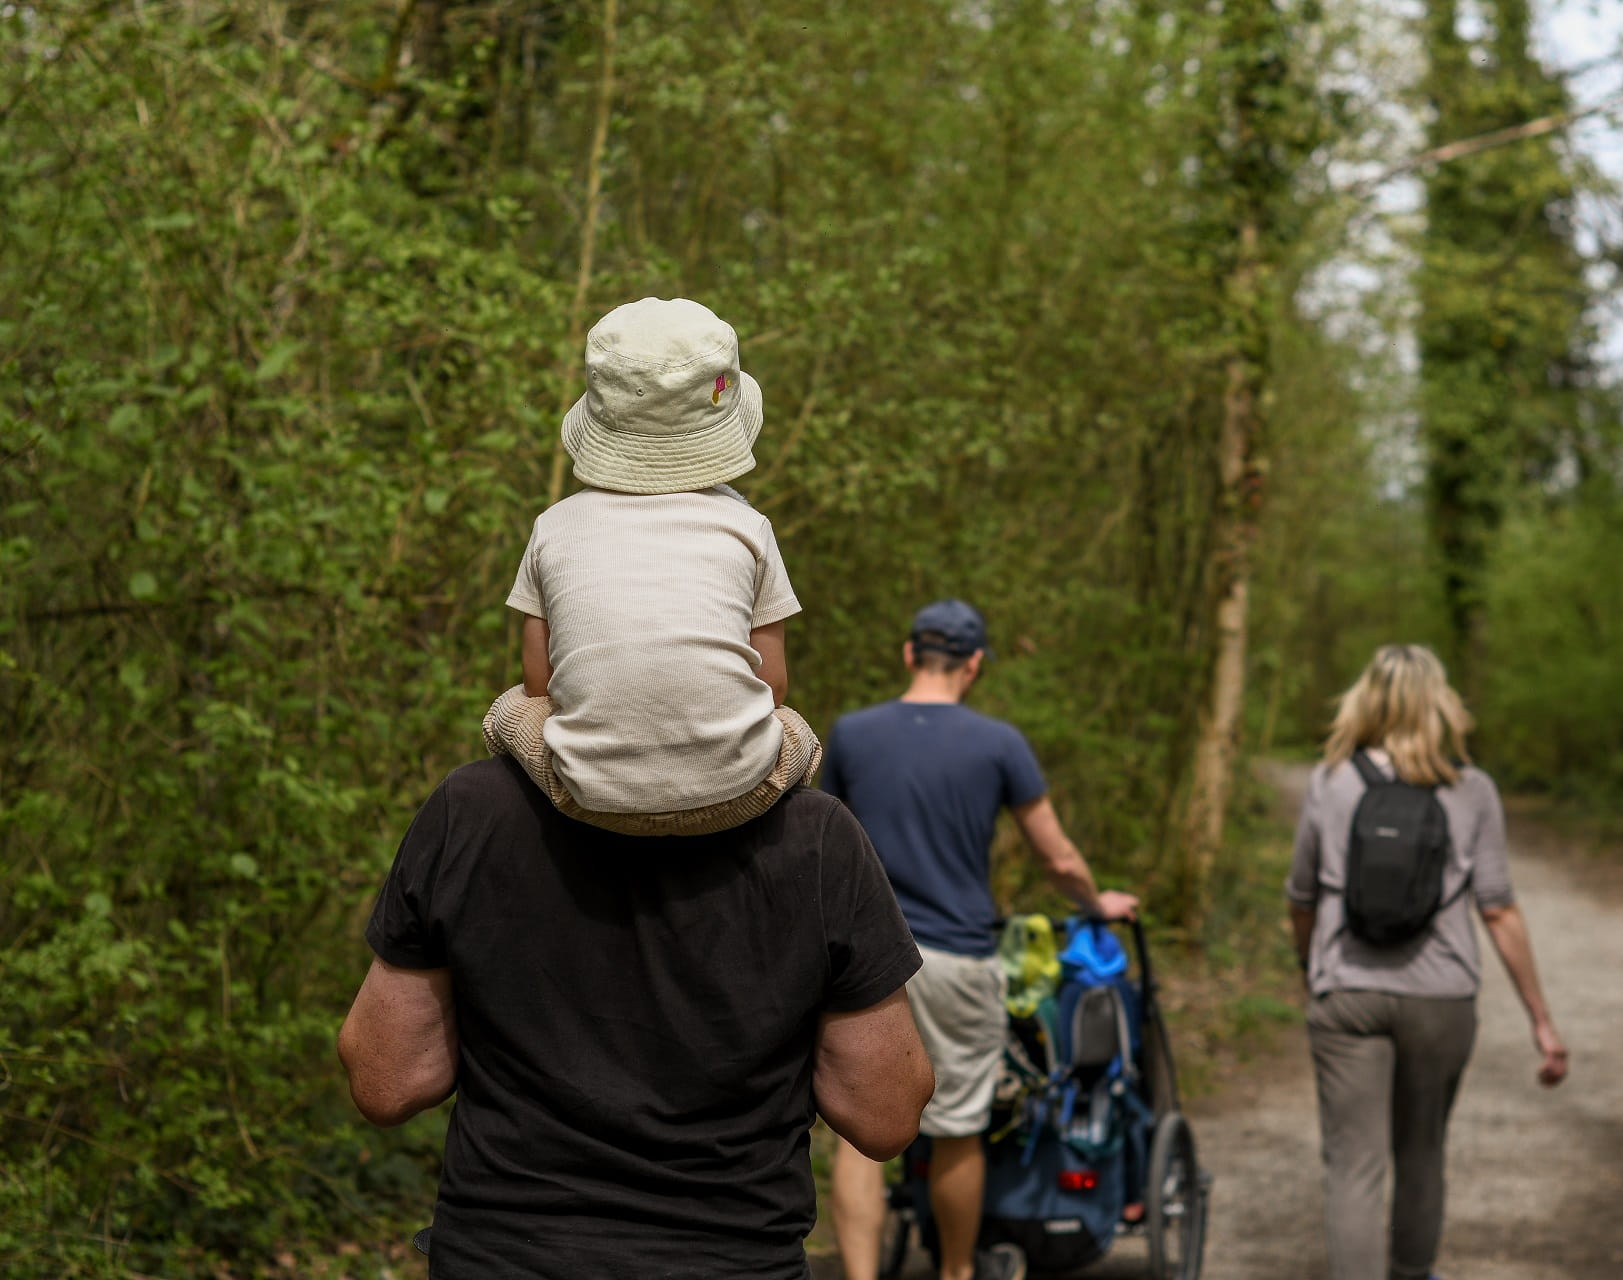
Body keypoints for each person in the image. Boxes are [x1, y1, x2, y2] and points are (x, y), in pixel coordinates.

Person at [337, 759, 935, 1278]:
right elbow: (882, 1116)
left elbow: (389, 1082)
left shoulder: (471, 808)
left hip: (505, 1256)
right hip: (731, 1260)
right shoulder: (817, 835)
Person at [820, 599, 1141, 1280]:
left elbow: (825, 842)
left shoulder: (850, 735)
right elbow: (1056, 858)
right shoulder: (999, 744)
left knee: (859, 1137)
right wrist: (1096, 901)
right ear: (974, 665)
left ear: (909, 654)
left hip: (863, 962)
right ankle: (957, 1273)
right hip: (958, 958)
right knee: (958, 1129)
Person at [483, 296, 819, 837]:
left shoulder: (554, 525)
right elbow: (772, 685)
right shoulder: (748, 526)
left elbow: (538, 681)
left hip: (584, 794)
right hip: (738, 794)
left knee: (507, 710)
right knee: (791, 726)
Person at [1286, 643, 1570, 1280]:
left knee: (1353, 1166)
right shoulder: (1471, 791)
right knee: (1421, 1152)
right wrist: (1542, 1021)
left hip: (1347, 993)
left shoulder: (1329, 781)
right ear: (1441, 705)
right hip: (1440, 998)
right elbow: (1498, 909)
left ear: (1364, 700)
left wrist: (1310, 970)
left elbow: (1300, 895)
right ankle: (1412, 1275)